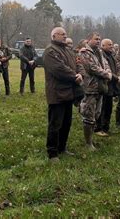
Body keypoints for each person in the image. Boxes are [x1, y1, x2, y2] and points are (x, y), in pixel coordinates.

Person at [44, 27, 84, 162]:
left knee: (67, 123)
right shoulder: (50, 51)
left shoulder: (67, 50)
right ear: (54, 36)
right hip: (57, 93)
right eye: (62, 34)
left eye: (65, 34)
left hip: (68, 92)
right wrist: (74, 76)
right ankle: (52, 153)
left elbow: (77, 64)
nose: (65, 36)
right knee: (55, 124)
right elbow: (58, 69)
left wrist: (79, 73)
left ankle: (62, 148)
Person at [79, 32, 112, 150]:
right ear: (89, 40)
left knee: (97, 114)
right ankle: (88, 143)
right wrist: (107, 74)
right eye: (96, 39)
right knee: (89, 115)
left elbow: (106, 64)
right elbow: (91, 68)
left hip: (100, 87)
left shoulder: (100, 53)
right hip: (90, 88)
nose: (98, 41)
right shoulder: (84, 53)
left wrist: (108, 72)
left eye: (99, 39)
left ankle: (91, 139)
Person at [95, 38, 120, 136]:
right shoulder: (101, 55)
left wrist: (118, 76)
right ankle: (99, 128)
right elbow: (105, 70)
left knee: (108, 109)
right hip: (104, 85)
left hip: (111, 86)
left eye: (111, 44)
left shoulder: (111, 55)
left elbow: (118, 67)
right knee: (102, 109)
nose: (111, 46)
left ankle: (106, 128)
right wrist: (116, 77)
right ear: (103, 45)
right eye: (109, 44)